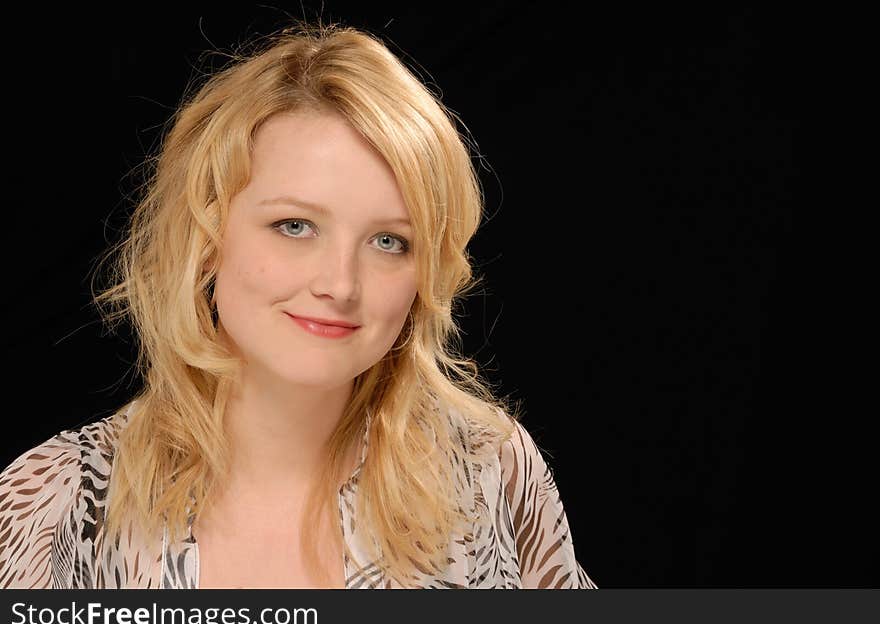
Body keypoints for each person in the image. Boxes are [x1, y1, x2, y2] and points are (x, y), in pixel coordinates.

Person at [0, 20, 597, 589]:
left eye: (389, 241)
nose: (340, 284)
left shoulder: (490, 470)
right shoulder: (56, 501)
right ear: (206, 239)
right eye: (294, 226)